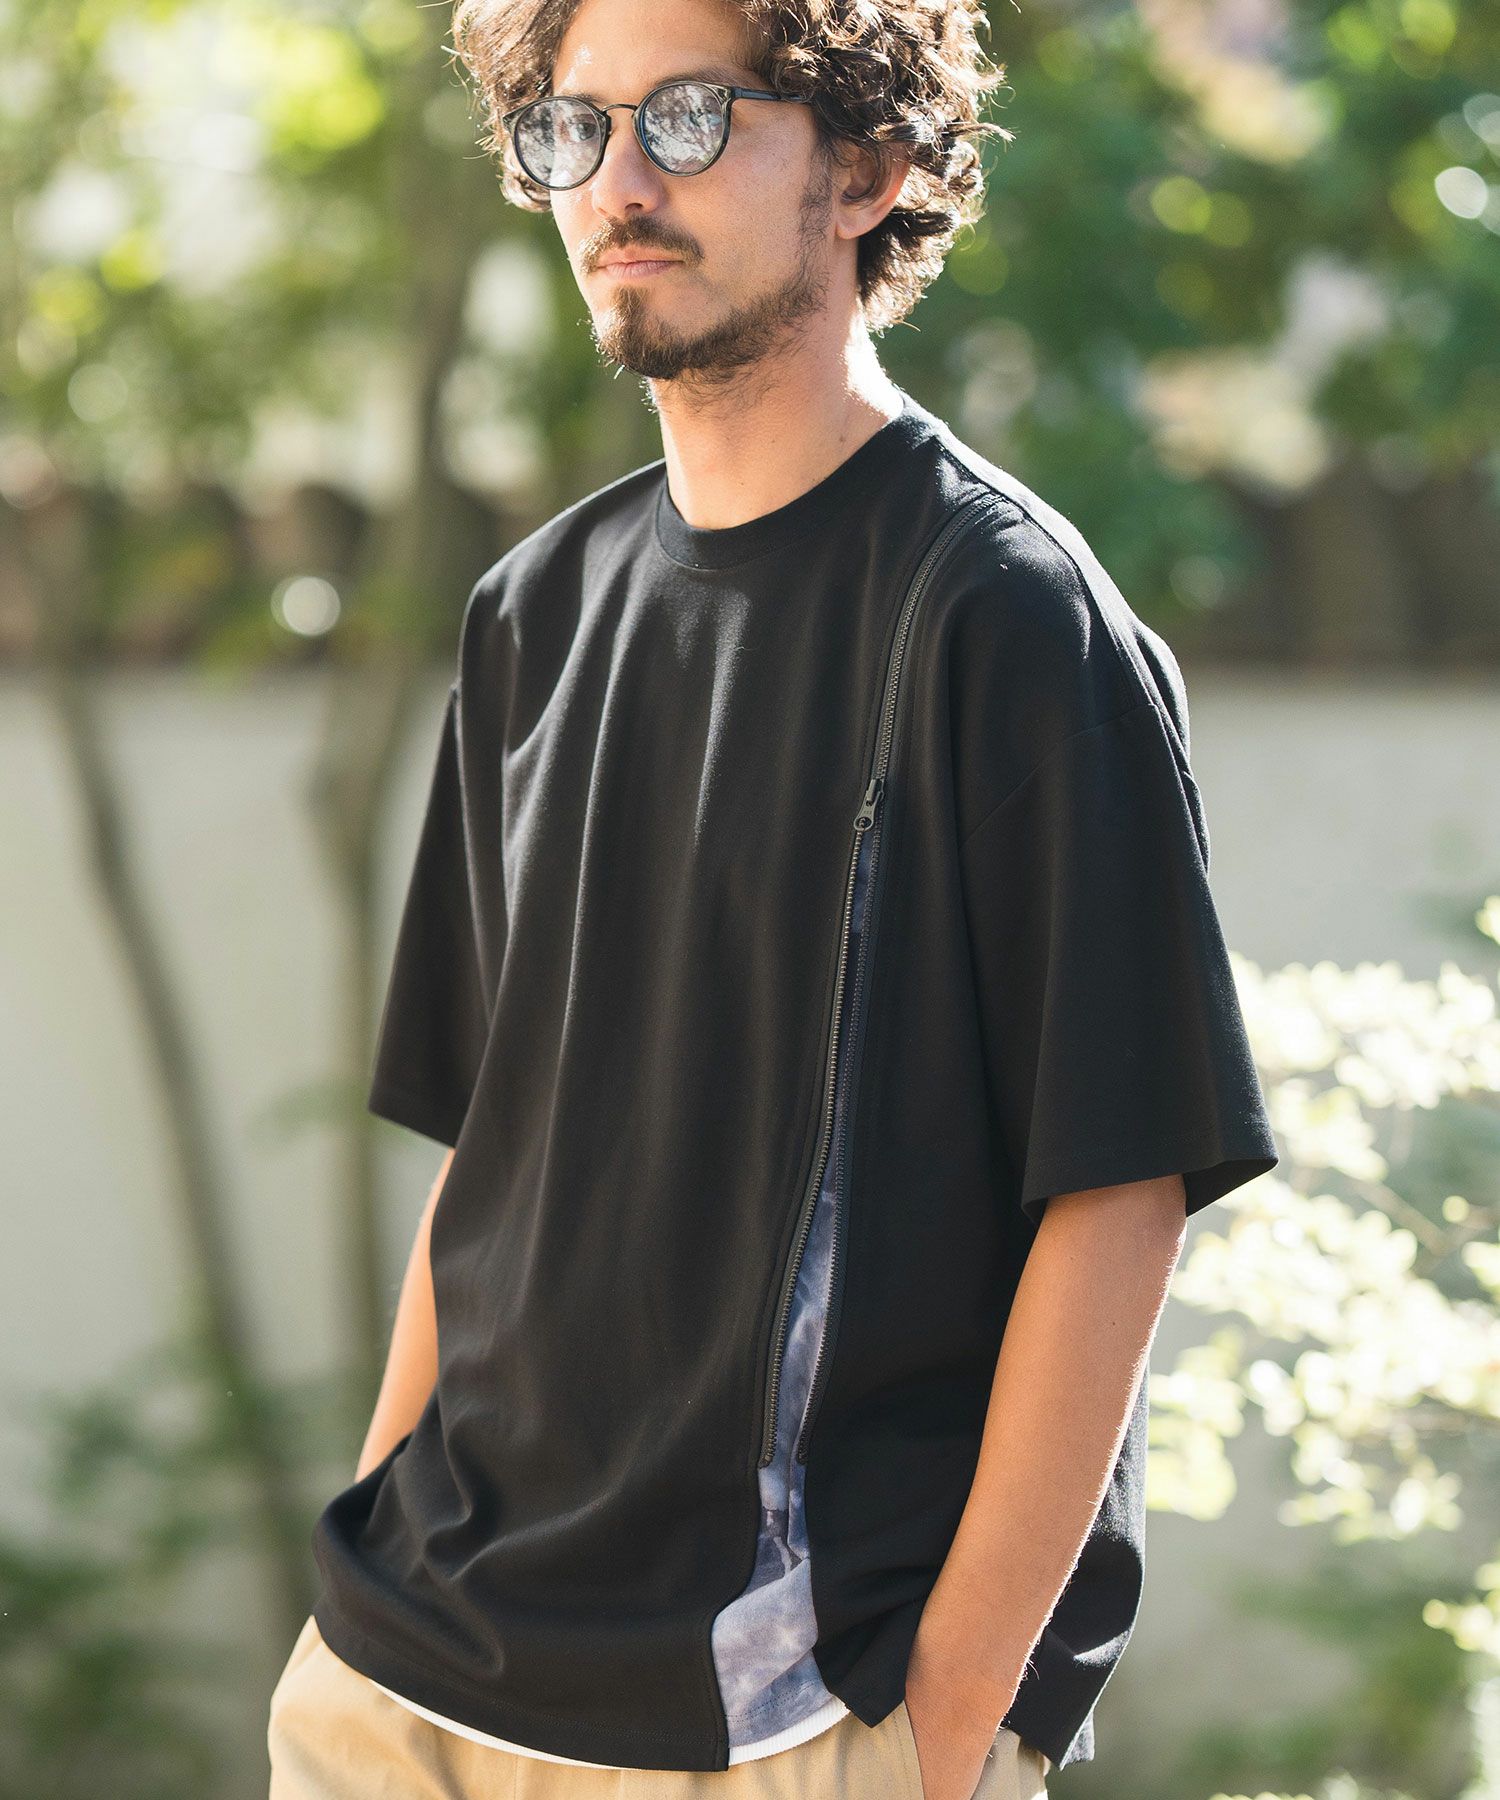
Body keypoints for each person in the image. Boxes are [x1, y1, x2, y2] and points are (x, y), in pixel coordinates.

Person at [266, 0, 1279, 1795]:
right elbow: (487, 1161)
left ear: (869, 167)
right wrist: (366, 1571)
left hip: (788, 1718)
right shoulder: (532, 612)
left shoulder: (1009, 620)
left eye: (689, 116)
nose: (617, 182)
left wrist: (943, 1731)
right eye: (573, 126)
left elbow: (1124, 1194)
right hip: (407, 1686)